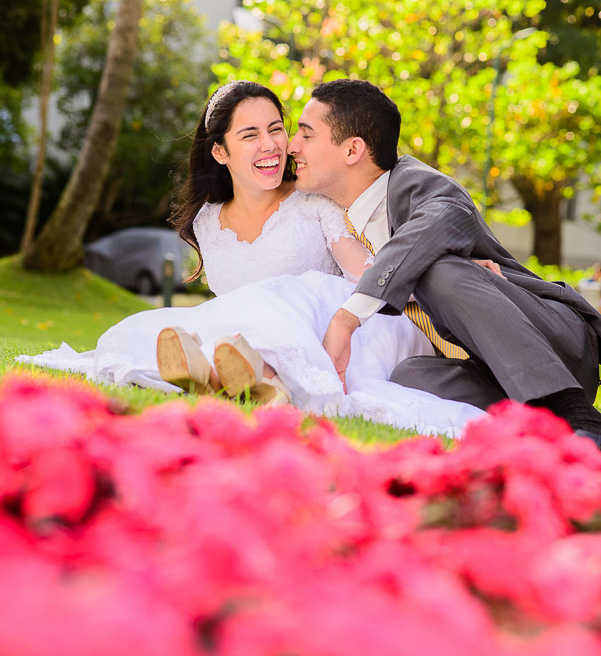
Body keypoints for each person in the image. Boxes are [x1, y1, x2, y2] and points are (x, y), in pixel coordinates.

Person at [17, 81, 483, 437]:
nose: (272, 145)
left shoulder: (314, 202)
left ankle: (255, 374)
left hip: (333, 331)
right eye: (251, 135)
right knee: (167, 328)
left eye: (277, 129)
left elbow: (366, 269)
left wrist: (438, 269)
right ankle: (229, 373)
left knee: (285, 296)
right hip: (244, 331)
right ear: (220, 152)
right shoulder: (207, 222)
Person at [288, 78, 601, 448]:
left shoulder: (415, 183)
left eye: (306, 135)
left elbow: (445, 218)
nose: (292, 146)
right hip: (486, 371)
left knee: (433, 266)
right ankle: (545, 430)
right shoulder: (335, 222)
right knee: (409, 380)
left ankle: (577, 414)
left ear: (353, 149)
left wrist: (348, 316)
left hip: (555, 342)